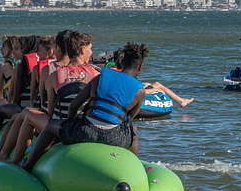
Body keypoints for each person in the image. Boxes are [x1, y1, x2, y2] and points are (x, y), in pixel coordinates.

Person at [21, 42, 149, 172]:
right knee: (133, 131)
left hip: (86, 132)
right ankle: (137, 169)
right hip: (113, 137)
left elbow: (73, 106)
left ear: (121, 63)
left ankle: (28, 166)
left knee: (50, 126)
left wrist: (69, 125)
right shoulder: (140, 91)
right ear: (140, 67)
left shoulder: (101, 77)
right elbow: (128, 119)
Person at [0, 31, 97, 164]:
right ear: (82, 50)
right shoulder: (95, 73)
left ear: (58, 49)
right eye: (90, 49)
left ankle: (13, 159)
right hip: (85, 125)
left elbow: (49, 110)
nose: (91, 52)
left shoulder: (54, 75)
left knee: (26, 114)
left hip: (61, 126)